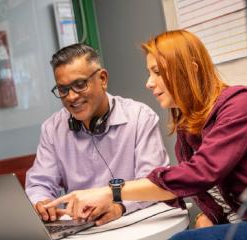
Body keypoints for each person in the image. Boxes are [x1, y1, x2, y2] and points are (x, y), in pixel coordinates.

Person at [45, 30, 247, 239]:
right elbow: (197, 190)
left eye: (157, 72)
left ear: (188, 71)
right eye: (149, 73)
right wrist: (209, 215)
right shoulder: (187, 125)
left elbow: (201, 173)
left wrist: (112, 192)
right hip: (245, 223)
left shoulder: (240, 103)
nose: (149, 83)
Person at [25, 43, 169, 226]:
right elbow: (39, 183)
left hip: (135, 224)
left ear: (102, 79)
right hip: (82, 230)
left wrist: (119, 206)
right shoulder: (52, 129)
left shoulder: (140, 117)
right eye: (63, 89)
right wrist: (42, 202)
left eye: (80, 84)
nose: (71, 97)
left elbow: (153, 184)